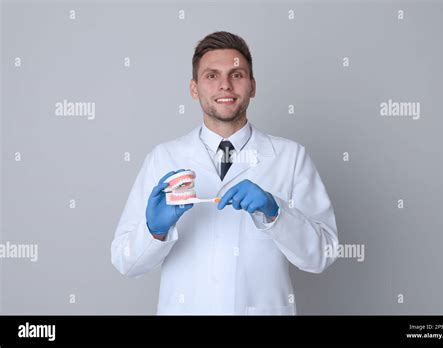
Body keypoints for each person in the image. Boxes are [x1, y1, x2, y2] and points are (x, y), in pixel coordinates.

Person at [111, 31, 339, 315]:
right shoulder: (164, 158)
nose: (225, 86)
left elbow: (323, 255)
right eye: (211, 76)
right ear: (194, 89)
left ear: (252, 86)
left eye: (237, 74)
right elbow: (126, 262)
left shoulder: (290, 158)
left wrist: (276, 213)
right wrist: (154, 231)